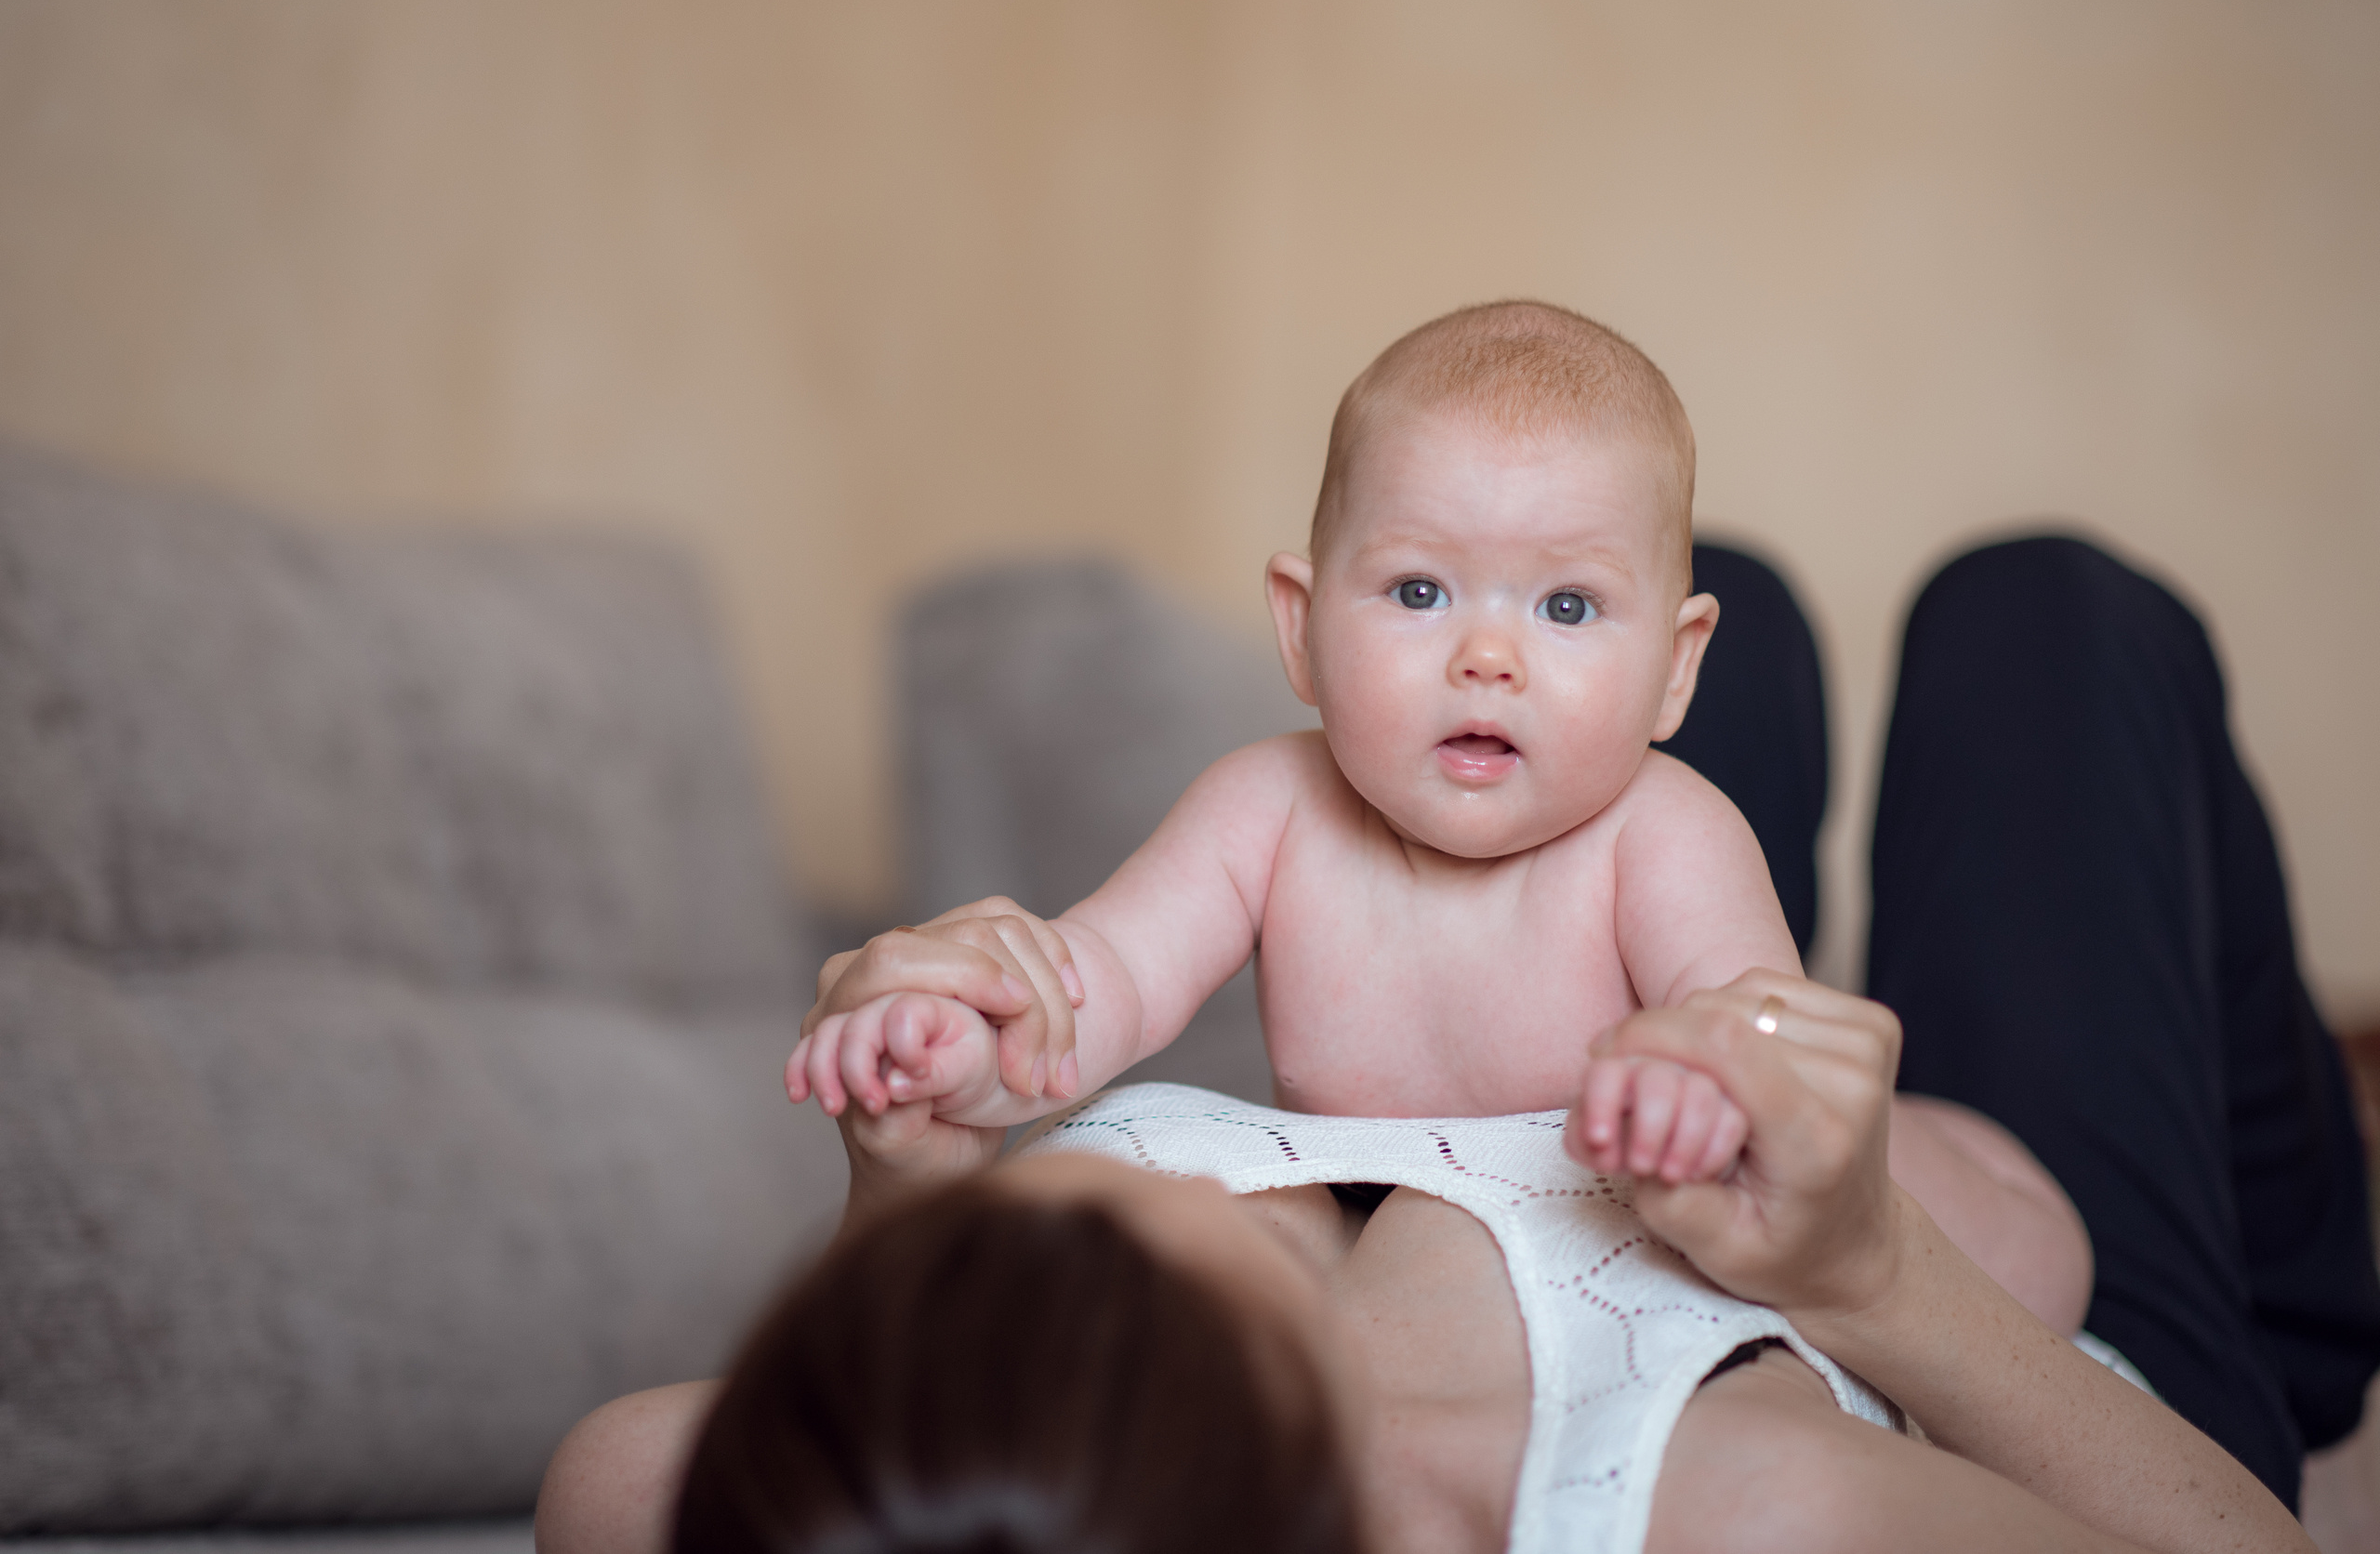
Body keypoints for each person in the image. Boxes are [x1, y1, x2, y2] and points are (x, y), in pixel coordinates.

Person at [536, 536, 2378, 1552]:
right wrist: (1872, 1266)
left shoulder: (849, 1469)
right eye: (1053, 1240)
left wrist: (894, 1185)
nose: (1045, 1208)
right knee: (2045, 623)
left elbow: (683, 1466)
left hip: (1706, 1116)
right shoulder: (1714, 1508)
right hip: (2040, 1343)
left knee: (1658, 596)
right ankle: (2298, 1309)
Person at [788, 301, 2094, 1337]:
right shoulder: (1268, 806)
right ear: (1301, 627)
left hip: (1936, 1181)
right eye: (1418, 589)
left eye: (1566, 607)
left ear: (1680, 667)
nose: (1486, 656)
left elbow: (1755, 1035)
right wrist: (968, 1032)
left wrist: (1705, 1093)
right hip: (1431, 1267)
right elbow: (1103, 977)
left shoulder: (1665, 834)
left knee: (2038, 1272)